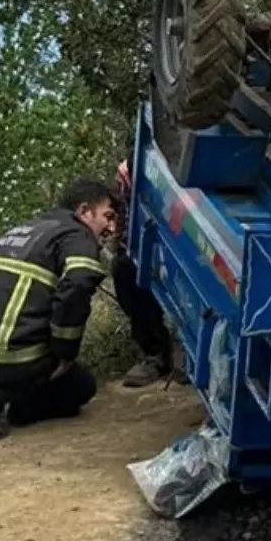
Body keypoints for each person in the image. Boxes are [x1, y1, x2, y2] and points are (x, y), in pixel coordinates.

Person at [0, 178, 117, 440]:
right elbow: (79, 282)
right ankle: (7, 400)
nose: (112, 228)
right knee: (81, 387)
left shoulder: (24, 229)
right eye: (108, 216)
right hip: (4, 355)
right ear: (83, 211)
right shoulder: (76, 233)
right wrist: (65, 353)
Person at [113, 160, 175, 386]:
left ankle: (193, 354)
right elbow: (124, 224)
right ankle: (156, 354)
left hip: (187, 231)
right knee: (123, 266)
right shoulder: (128, 172)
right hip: (152, 243)